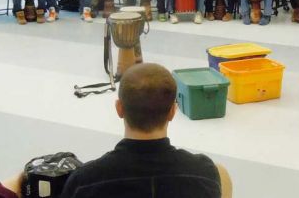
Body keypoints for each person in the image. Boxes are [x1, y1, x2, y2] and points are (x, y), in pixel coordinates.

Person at [60, 63, 232, 198]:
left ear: (119, 109)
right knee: (222, 174)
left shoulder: (83, 181)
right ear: (172, 111)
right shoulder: (206, 174)